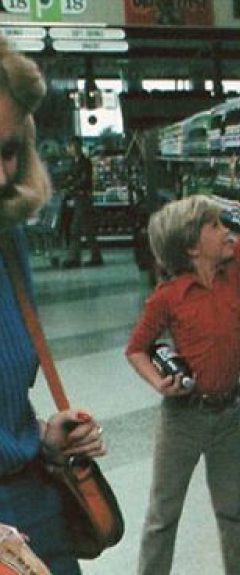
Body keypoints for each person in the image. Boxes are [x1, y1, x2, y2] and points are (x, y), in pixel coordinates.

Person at [125, 117, 240, 575]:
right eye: (215, 226)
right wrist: (159, 384)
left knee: (233, 511)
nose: (227, 231)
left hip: (227, 414)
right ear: (192, 247)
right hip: (183, 418)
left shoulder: (235, 272)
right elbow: (136, 348)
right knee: (163, 516)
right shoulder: (169, 296)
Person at [0, 38, 107, 574]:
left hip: (32, 510)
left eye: (8, 150)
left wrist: (43, 437)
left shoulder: (8, 239)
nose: (1, 177)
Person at [63, 136, 102, 267]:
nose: (70, 149)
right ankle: (96, 256)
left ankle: (74, 258)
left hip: (83, 197)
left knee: (75, 228)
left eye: (72, 146)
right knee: (88, 228)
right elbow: (70, 177)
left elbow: (84, 180)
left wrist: (72, 187)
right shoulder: (74, 162)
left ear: (77, 147)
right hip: (79, 197)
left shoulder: (85, 162)